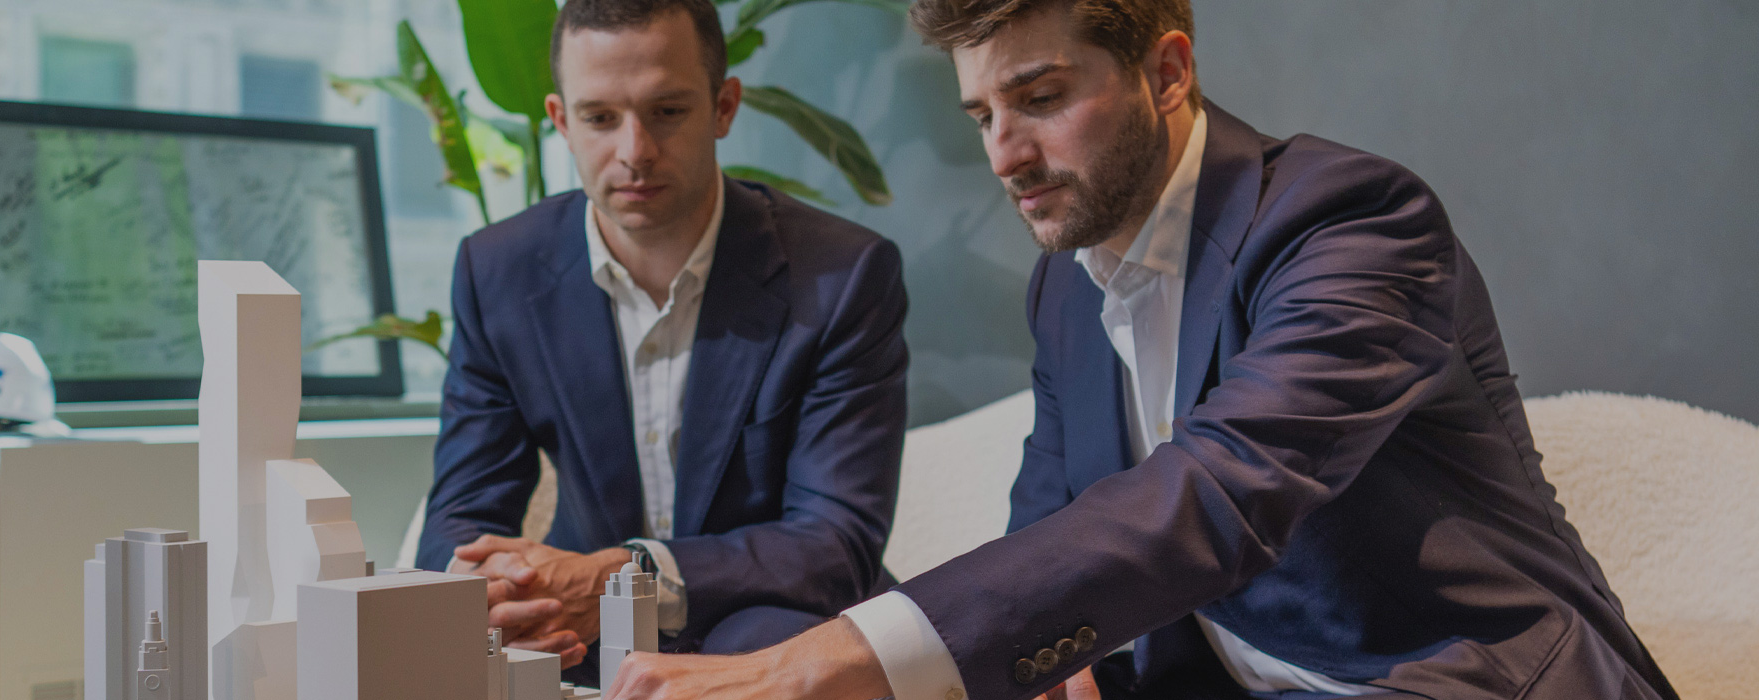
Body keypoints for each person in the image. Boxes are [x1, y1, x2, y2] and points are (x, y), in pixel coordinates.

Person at [600, 1, 1677, 699]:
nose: (1005, 156)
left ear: (1166, 71)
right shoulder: (1066, 287)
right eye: (981, 114)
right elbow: (1055, 533)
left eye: (1041, 98)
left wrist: (834, 659)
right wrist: (1058, 665)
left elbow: (1221, 491)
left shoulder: (1348, 224)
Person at [416, 0, 908, 679]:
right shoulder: (495, 271)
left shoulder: (842, 275)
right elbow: (462, 511)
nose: (634, 152)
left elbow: (835, 541)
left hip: (778, 625)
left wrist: (622, 576)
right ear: (561, 120)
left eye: (668, 111)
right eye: (599, 118)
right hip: (578, 637)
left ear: (724, 107)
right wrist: (502, 597)